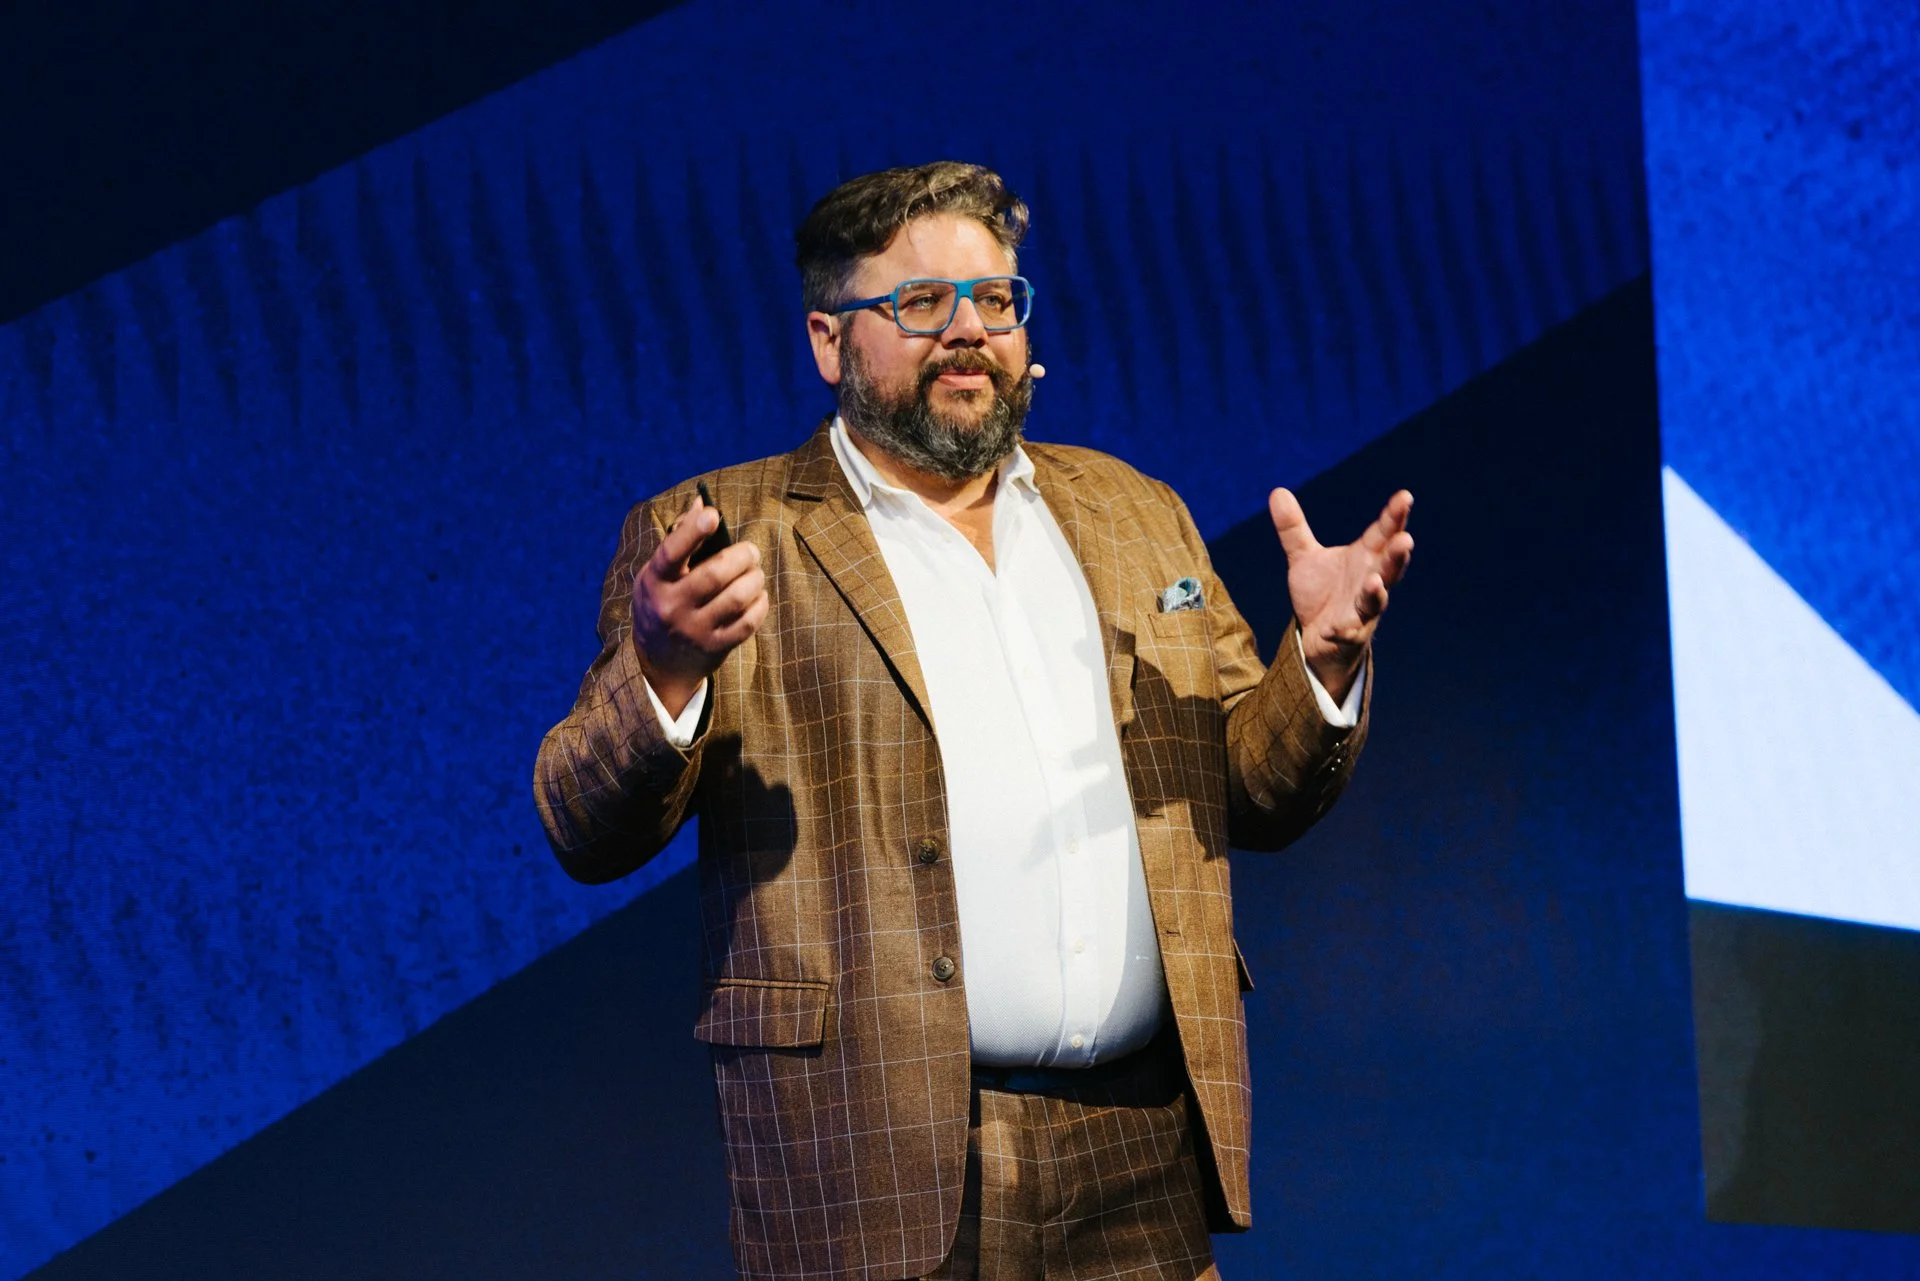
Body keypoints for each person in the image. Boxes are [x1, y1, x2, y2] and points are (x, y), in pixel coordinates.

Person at [534, 161, 1413, 1281]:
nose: (967, 332)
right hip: (878, 1157)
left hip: (1141, 1147)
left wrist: (1322, 664)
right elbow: (582, 825)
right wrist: (661, 675)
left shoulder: (1136, 512)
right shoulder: (722, 529)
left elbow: (1253, 788)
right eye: (919, 304)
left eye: (995, 300)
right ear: (827, 339)